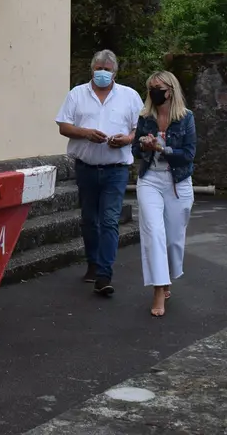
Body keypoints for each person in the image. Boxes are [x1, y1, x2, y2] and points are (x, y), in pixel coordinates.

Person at [55, 50, 143, 296]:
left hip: (116, 169)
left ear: (115, 72)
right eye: (99, 67)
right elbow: (63, 126)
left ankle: (104, 274)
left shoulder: (129, 96)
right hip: (86, 168)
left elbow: (140, 128)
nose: (102, 71)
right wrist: (86, 133)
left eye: (107, 68)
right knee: (89, 220)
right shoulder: (76, 94)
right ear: (92, 68)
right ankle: (93, 263)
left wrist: (126, 139)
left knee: (109, 220)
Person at [132, 71, 197, 317]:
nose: (153, 92)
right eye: (150, 88)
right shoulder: (145, 117)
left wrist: (162, 147)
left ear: (170, 90)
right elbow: (134, 150)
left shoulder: (186, 118)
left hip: (177, 182)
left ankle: (167, 276)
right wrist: (143, 145)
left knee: (172, 240)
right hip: (149, 180)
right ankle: (158, 289)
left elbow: (188, 154)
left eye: (157, 87)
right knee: (154, 233)